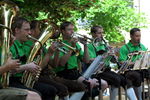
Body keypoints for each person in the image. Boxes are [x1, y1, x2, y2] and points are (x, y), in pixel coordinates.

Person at [10, 17, 57, 100]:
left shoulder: (23, 46)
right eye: (27, 30)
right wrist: (27, 67)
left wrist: (33, 69)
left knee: (51, 90)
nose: (30, 32)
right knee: (37, 94)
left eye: (30, 30)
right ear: (17, 30)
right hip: (12, 81)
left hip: (21, 80)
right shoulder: (11, 46)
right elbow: (9, 70)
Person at [119, 28, 147, 100]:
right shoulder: (124, 48)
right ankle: (139, 98)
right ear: (131, 36)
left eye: (140, 36)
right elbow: (121, 62)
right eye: (136, 36)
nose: (139, 38)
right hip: (130, 70)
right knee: (135, 75)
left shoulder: (142, 46)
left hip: (142, 68)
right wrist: (134, 63)